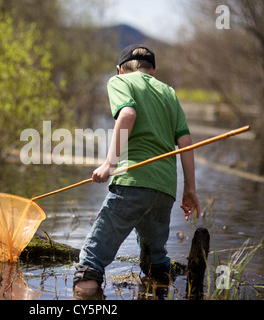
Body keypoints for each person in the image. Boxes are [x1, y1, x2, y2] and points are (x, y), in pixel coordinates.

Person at [73, 44, 200, 296]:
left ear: (120, 69)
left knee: (90, 265)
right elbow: (185, 142)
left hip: (132, 182)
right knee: (156, 265)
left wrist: (110, 163)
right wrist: (190, 189)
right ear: (153, 70)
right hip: (164, 190)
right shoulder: (168, 92)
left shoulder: (120, 81)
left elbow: (128, 114)